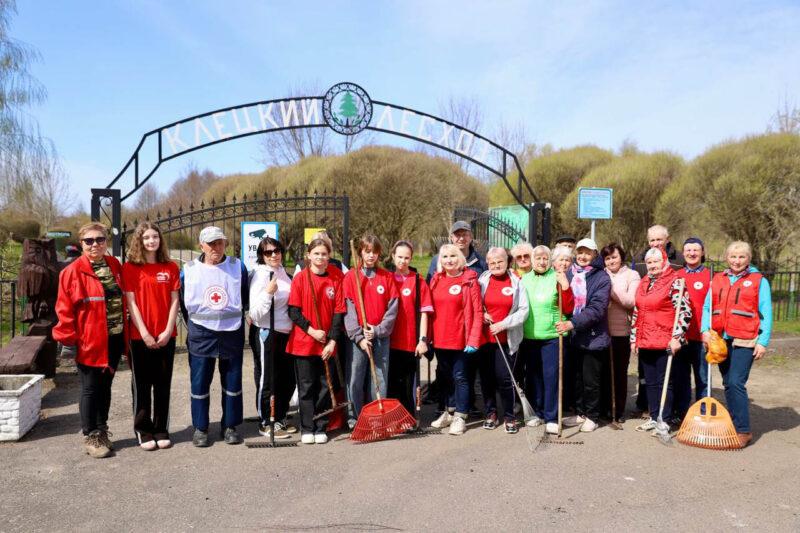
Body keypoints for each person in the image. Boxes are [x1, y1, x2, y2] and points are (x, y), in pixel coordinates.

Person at [54, 222, 127, 458]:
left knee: (105, 387)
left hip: (113, 338)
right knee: (90, 388)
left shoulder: (114, 265)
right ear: (81, 243)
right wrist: (68, 340)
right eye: (89, 241)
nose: (95, 244)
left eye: (100, 240)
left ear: (106, 241)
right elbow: (64, 309)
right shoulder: (72, 272)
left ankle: (102, 429)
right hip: (89, 340)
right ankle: (91, 435)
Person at [180, 226, 249, 447]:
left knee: (232, 381)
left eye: (219, 243)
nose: (215, 248)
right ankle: (201, 428)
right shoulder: (189, 269)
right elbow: (183, 302)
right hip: (201, 333)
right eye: (211, 244)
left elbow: (244, 296)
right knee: (200, 383)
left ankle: (230, 426)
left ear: (225, 244)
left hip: (231, 331)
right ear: (201, 246)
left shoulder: (238, 266)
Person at [701, 241, 772, 448]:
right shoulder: (718, 279)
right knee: (727, 383)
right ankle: (734, 422)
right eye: (733, 256)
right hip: (721, 339)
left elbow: (766, 314)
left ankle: (743, 430)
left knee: (735, 382)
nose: (737, 261)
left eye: (741, 257)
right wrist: (705, 330)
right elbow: (707, 306)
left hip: (746, 339)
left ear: (749, 259)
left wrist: (763, 341)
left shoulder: (759, 281)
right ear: (727, 258)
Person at [122, 222, 180, 451]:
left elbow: (175, 300)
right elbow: (131, 303)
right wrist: (145, 333)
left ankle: (161, 428)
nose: (151, 241)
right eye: (146, 237)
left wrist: (167, 330)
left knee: (163, 384)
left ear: (160, 240)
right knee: (142, 386)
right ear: (140, 240)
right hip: (140, 337)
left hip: (167, 335)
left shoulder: (171, 267)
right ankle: (143, 430)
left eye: (155, 236)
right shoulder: (131, 268)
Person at [286, 238, 346, 444]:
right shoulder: (301, 278)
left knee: (324, 384)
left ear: (329, 256)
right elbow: (293, 311)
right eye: (317, 254)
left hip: (327, 343)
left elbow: (339, 311)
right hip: (304, 342)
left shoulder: (337, 277)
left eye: (324, 254)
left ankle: (321, 425)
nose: (320, 258)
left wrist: (332, 341)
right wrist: (312, 331)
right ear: (309, 255)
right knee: (306, 387)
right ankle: (307, 427)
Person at [630, 248, 692, 434]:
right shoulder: (644, 282)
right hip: (646, 339)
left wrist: (677, 337)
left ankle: (663, 419)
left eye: (656, 261)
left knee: (665, 381)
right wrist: (634, 338)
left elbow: (684, 312)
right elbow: (637, 311)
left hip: (665, 339)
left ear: (664, 261)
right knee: (650, 382)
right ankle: (653, 416)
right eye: (649, 262)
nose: (653, 265)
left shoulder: (675, 282)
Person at [556, 238, 611, 433]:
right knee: (577, 378)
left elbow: (597, 309)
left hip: (593, 337)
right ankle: (580, 412)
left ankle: (593, 416)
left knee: (590, 380)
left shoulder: (602, 278)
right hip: (573, 336)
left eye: (588, 253)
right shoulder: (569, 274)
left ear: (595, 255)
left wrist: (572, 323)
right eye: (580, 252)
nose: (583, 256)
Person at [344, 235, 399, 425]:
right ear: (360, 251)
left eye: (374, 252)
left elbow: (392, 310)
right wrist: (359, 336)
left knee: (380, 377)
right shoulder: (351, 277)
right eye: (367, 251)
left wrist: (377, 330)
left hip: (380, 336)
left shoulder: (387, 277)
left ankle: (377, 415)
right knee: (355, 377)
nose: (371, 256)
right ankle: (354, 417)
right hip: (358, 338)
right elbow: (348, 309)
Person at [429, 244, 483, 435]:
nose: (449, 260)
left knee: (460, 377)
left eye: (453, 256)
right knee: (445, 377)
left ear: (460, 258)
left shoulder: (469, 280)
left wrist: (474, 339)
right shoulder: (436, 280)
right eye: (444, 257)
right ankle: (449, 411)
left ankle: (461, 415)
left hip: (461, 339)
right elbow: (429, 310)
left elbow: (477, 311)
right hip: (440, 339)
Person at [519, 245, 573, 435]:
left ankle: (551, 416)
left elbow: (567, 308)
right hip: (530, 335)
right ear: (532, 260)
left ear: (550, 260)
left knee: (551, 377)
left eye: (545, 258)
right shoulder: (524, 279)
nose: (542, 262)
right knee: (533, 377)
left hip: (551, 335)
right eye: (538, 258)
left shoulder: (557, 277)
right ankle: (538, 412)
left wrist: (565, 287)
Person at [477, 247, 530, 434]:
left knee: (505, 378)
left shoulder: (517, 282)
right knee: (487, 379)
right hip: (484, 339)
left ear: (507, 261)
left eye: (499, 261)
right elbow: (475, 304)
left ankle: (509, 416)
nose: (496, 265)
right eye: (492, 262)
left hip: (507, 339)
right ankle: (490, 413)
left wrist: (503, 324)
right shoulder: (482, 280)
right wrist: (482, 314)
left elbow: (523, 311)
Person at [248, 236, 297, 439]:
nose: (274, 255)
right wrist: (268, 293)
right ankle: (266, 420)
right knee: (268, 379)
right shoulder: (260, 275)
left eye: (277, 251)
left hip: (286, 333)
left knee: (288, 378)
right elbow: (256, 314)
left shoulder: (284, 273)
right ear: (262, 255)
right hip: (267, 332)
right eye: (268, 252)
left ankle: (280, 417)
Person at [387, 240, 433, 415]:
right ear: (393, 256)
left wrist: (422, 340)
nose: (403, 261)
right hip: (388, 341)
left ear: (411, 258)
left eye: (406, 258)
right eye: (399, 257)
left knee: (407, 383)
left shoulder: (418, 280)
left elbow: (424, 313)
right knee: (391, 382)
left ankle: (407, 418)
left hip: (409, 341)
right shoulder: (386, 277)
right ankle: (392, 418)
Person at [602, 242, 640, 422]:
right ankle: (604, 408)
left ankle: (617, 411)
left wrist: (609, 290)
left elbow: (630, 301)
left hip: (621, 332)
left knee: (618, 373)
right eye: (607, 258)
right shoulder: (601, 274)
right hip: (602, 331)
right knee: (603, 373)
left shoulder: (632, 275)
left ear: (621, 257)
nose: (611, 261)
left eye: (614, 257)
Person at [674, 237, 711, 420]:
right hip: (682, 336)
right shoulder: (677, 275)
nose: (692, 253)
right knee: (681, 378)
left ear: (702, 252)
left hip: (701, 336)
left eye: (696, 250)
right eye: (688, 250)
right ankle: (682, 414)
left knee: (703, 378)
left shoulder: (711, 276)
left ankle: (703, 414)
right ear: (683, 252)